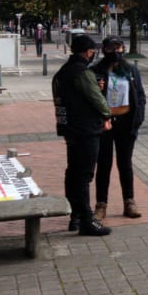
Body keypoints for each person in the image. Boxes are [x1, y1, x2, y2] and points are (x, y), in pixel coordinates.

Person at [52, 34, 113, 236]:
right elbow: (97, 100)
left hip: (69, 128)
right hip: (85, 129)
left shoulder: (62, 73)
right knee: (84, 175)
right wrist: (107, 115)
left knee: (73, 172)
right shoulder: (82, 73)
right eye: (92, 51)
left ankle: (75, 216)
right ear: (88, 52)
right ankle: (86, 219)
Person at [92, 36, 146, 221]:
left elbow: (140, 96)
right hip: (104, 124)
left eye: (118, 47)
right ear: (104, 50)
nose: (115, 51)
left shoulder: (130, 70)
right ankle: (101, 204)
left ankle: (129, 201)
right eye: (110, 48)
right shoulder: (96, 70)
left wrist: (138, 119)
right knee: (104, 164)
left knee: (125, 163)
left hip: (126, 122)